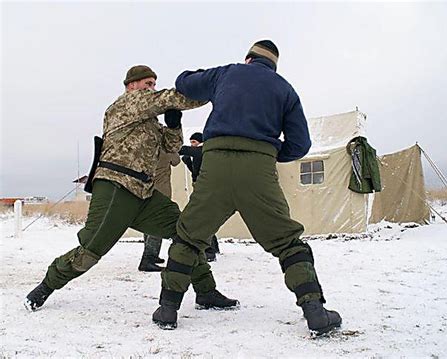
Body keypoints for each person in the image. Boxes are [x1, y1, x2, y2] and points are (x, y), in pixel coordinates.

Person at [152, 41, 342, 336]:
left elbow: (184, 82)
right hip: (259, 170)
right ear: (274, 66)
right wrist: (270, 151)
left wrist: (203, 75)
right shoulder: (285, 90)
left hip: (215, 165)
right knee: (288, 242)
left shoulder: (227, 74)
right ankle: (315, 311)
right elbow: (300, 144)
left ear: (248, 58)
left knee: (189, 236)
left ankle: (167, 309)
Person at [24, 65, 237, 313]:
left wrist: (174, 125)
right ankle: (45, 287)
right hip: (116, 186)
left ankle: (206, 291)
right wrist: (214, 87)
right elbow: (172, 97)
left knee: (185, 234)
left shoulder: (149, 121)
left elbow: (171, 146)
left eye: (153, 84)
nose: (151, 88)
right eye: (147, 84)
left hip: (144, 192)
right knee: (91, 251)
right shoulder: (126, 104)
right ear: (131, 85)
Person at [179, 132, 220, 262]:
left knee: (204, 216)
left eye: (194, 142)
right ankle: (214, 246)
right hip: (202, 185)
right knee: (207, 215)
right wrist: (188, 163)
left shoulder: (202, 150)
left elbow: (182, 149)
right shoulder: (203, 152)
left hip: (205, 187)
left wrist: (172, 143)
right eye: (191, 142)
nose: (192, 145)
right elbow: (195, 171)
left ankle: (210, 251)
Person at [138, 151, 181, 272]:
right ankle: (148, 259)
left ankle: (152, 255)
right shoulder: (166, 149)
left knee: (148, 223)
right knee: (158, 224)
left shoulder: (147, 147)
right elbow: (176, 161)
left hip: (146, 191)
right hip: (161, 192)